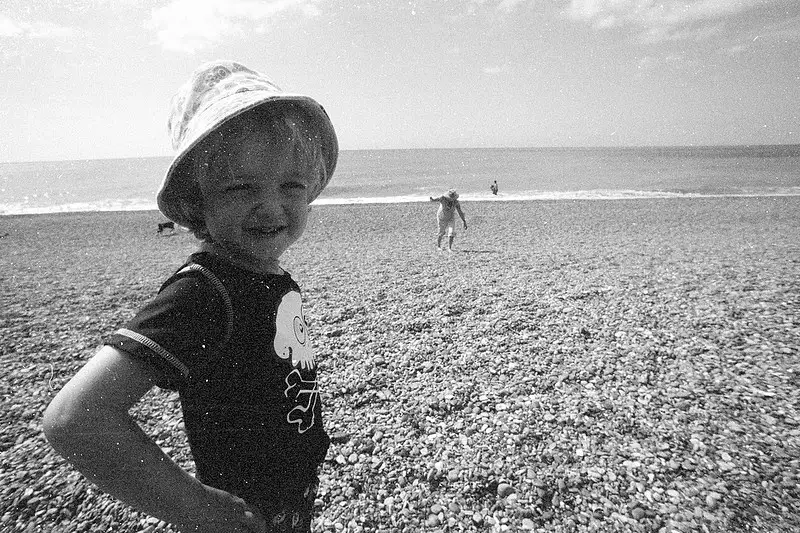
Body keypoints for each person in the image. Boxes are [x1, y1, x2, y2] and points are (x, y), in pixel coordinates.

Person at [42, 60, 339, 533]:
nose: (270, 205)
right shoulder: (203, 291)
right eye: (241, 187)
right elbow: (75, 418)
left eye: (291, 186)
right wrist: (198, 508)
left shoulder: (263, 273)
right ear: (197, 200)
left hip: (291, 498)